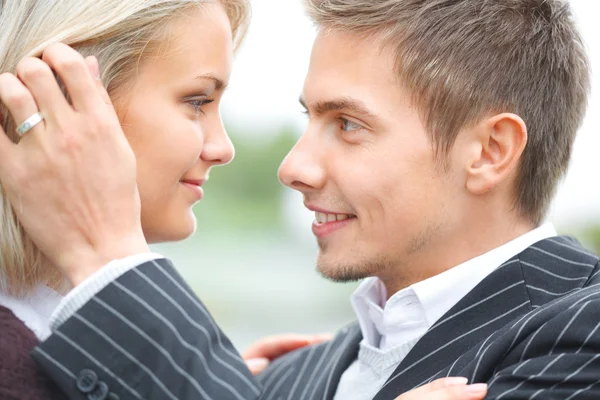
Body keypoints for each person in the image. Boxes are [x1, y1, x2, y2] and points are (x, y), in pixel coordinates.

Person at [1, 0, 597, 400]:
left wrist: (110, 259)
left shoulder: (584, 336)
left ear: (490, 150)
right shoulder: (284, 377)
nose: (293, 168)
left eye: (349, 124)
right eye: (309, 118)